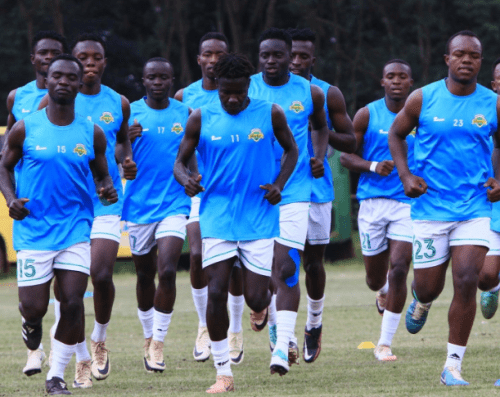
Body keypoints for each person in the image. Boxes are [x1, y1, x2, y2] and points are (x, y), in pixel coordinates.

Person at [174, 53, 298, 393]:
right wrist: (186, 180)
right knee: (216, 290)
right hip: (217, 215)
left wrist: (279, 184)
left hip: (258, 216)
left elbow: (291, 151)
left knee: (257, 298)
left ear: (248, 86)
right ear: (217, 87)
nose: (232, 98)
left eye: (238, 92)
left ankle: (260, 312)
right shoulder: (200, 117)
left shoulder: (269, 113)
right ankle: (223, 373)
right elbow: (180, 163)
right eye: (225, 92)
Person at [0, 54, 117, 395]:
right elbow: (4, 167)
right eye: (57, 76)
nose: (63, 81)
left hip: (76, 230)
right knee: (34, 307)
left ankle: (56, 376)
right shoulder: (25, 127)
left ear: (80, 85)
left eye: (70, 77)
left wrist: (107, 188)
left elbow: (102, 177)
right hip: (35, 231)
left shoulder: (92, 133)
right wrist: (10, 199)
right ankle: (32, 326)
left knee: (72, 301)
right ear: (46, 81)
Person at [388, 30, 500, 386]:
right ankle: (421, 300)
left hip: (475, 207)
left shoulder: (492, 103)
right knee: (429, 286)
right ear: (447, 59)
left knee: (467, 279)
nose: (467, 60)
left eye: (474, 56)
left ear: (481, 62)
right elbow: (396, 134)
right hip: (430, 209)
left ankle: (452, 366)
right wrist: (405, 175)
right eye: (460, 54)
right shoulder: (423, 98)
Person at [39, 32, 137, 387]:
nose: (90, 63)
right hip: (67, 206)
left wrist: (126, 160)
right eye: (84, 58)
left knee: (102, 274)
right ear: (74, 65)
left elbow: (123, 139)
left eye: (97, 57)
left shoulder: (119, 102)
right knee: (71, 290)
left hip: (107, 201)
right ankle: (79, 355)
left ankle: (99, 339)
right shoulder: (53, 102)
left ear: (104, 62)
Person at [248, 27, 329, 375]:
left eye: (278, 55)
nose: (271, 61)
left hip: (295, 189)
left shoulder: (308, 92)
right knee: (263, 276)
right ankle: (272, 322)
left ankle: (283, 347)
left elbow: (320, 127)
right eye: (265, 55)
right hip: (252, 192)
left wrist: (319, 156)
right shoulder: (246, 87)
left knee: (287, 266)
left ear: (289, 56)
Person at [174, 32, 246, 365]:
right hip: (199, 191)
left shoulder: (241, 94)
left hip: (239, 193)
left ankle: (236, 329)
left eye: (220, 54)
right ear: (199, 58)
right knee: (199, 254)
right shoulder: (184, 96)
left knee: (234, 268)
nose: (213, 59)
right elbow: (182, 147)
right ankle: (204, 325)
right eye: (207, 54)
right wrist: (189, 176)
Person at [288, 27, 356, 363]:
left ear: (314, 59)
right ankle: (280, 330)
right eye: (292, 55)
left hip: (316, 189)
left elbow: (351, 140)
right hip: (276, 191)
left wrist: (321, 133)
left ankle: (313, 324)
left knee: (313, 264)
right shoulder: (260, 90)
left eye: (304, 56)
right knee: (279, 264)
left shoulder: (327, 93)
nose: (297, 61)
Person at [340, 59, 414, 361]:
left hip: (408, 204)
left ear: (411, 82)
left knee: (399, 268)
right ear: (382, 81)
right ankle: (380, 290)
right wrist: (371, 166)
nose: (396, 81)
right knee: (375, 278)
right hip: (371, 204)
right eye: (390, 76)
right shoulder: (367, 114)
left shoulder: (421, 115)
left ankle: (384, 343)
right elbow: (346, 157)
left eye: (402, 77)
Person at [4, 30, 68, 377]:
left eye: (55, 53)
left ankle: (65, 364)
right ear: (34, 59)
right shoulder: (18, 97)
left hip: (69, 211)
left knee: (69, 294)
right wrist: (12, 196)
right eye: (43, 53)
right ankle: (33, 349)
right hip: (32, 213)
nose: (48, 58)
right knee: (33, 305)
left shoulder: (73, 98)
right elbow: (8, 151)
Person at [123, 57, 190, 372]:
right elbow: (115, 156)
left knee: (167, 271)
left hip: (175, 204)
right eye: (152, 77)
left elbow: (193, 154)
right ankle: (147, 336)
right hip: (138, 207)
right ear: (144, 80)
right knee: (144, 275)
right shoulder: (131, 113)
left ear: (172, 80)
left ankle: (159, 344)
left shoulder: (185, 114)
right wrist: (126, 148)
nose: (158, 82)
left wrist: (195, 179)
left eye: (164, 77)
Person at [478, 57, 500, 323]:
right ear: (494, 84)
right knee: (484, 276)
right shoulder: (483, 113)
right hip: (494, 201)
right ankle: (493, 287)